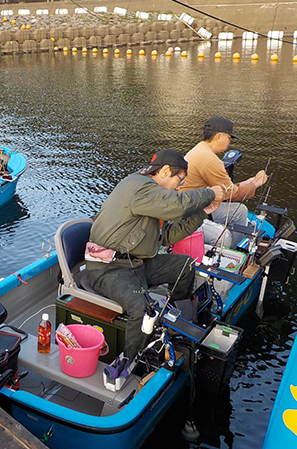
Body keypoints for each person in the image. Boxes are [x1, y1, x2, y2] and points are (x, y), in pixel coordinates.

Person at [86, 149, 223, 360]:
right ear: (166, 171)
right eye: (180, 179)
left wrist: (202, 213)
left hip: (137, 263)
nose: (180, 186)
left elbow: (166, 237)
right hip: (108, 269)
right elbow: (178, 206)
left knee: (184, 266)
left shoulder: (153, 197)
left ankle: (174, 323)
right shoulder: (139, 186)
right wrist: (210, 193)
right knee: (140, 307)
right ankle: (132, 361)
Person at [180, 117, 268, 247]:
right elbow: (230, 194)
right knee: (225, 234)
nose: (229, 143)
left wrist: (249, 182)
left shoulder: (199, 149)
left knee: (241, 211)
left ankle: (234, 248)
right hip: (189, 212)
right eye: (229, 137)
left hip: (194, 203)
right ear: (219, 136)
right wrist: (254, 184)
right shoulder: (209, 159)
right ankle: (228, 252)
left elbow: (226, 189)